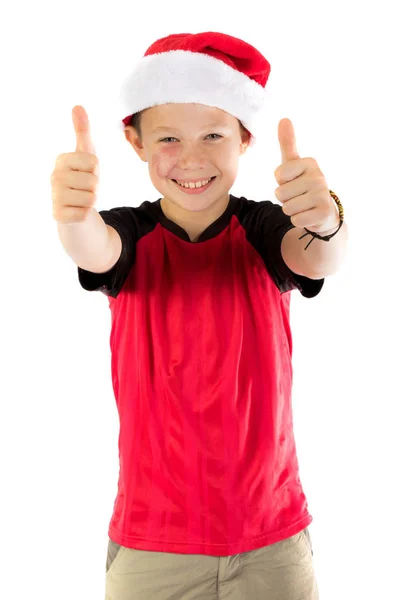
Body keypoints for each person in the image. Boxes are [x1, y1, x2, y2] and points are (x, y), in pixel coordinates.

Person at [51, 31, 348, 600]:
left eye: (213, 134)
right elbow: (94, 247)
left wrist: (327, 216)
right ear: (135, 143)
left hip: (272, 540)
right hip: (152, 546)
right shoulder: (130, 235)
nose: (191, 159)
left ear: (244, 138)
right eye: (168, 137)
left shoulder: (263, 230)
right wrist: (73, 215)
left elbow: (318, 255)